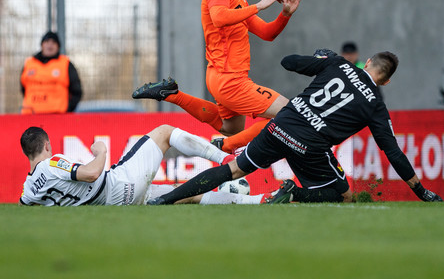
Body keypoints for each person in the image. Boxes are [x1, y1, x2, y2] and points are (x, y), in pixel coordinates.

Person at [148, 49, 443, 205]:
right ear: (386, 80)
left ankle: (165, 199)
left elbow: (288, 62)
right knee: (344, 196)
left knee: (234, 170)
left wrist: (322, 59)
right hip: (309, 144)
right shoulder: (376, 105)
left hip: (281, 124)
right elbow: (390, 149)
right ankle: (293, 192)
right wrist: (419, 189)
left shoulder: (338, 64)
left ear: (366, 62)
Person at [133, 0, 303, 153]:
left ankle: (172, 94)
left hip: (221, 77)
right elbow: (219, 17)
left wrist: (285, 14)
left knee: (230, 128)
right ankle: (225, 147)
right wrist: (259, 5)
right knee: (288, 114)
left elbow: (267, 33)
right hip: (230, 80)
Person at [19, 125, 277, 206]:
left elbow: (25, 205)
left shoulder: (28, 189)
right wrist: (101, 151)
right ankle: (226, 159)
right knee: (164, 132)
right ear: (47, 145)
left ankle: (260, 201)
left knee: (186, 195)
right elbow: (91, 173)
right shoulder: (52, 162)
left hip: (113, 205)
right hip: (118, 185)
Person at [20, 31, 82, 114]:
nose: (50, 45)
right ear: (42, 45)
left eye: (53, 42)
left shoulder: (65, 64)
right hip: (30, 114)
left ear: (58, 46)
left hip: (57, 116)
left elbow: (77, 90)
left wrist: (68, 109)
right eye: (47, 42)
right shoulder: (29, 63)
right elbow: (23, 87)